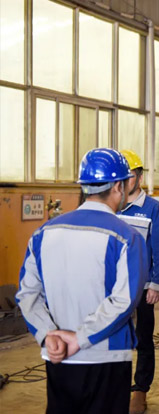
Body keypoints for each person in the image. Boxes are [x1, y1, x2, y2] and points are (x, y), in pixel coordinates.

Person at [15, 148, 147, 414]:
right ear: (118, 186)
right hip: (106, 356)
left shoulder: (43, 233)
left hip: (58, 355)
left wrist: (48, 335)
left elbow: (27, 294)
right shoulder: (127, 237)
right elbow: (124, 300)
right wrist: (80, 338)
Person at [117, 150, 159, 414]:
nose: (124, 182)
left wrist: (156, 283)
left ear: (138, 177)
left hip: (142, 285)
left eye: (129, 176)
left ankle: (140, 390)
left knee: (143, 338)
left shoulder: (153, 209)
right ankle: (117, 387)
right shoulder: (112, 206)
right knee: (116, 337)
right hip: (115, 286)